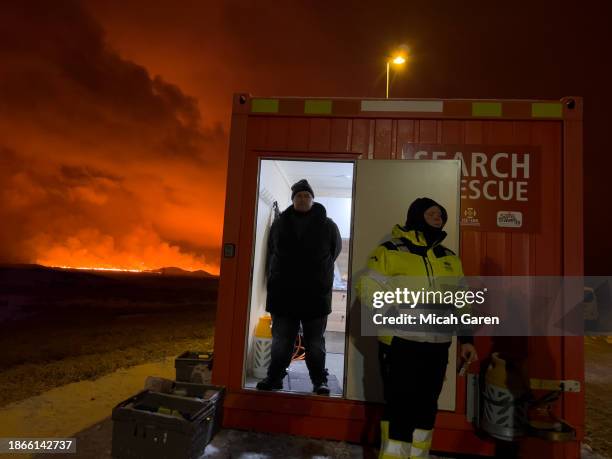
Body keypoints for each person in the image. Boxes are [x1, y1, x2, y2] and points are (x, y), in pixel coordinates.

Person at [359, 197, 478, 459]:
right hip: (400, 343)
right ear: (416, 215)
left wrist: (467, 339)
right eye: (432, 213)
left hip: (437, 345)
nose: (438, 217)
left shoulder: (449, 257)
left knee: (427, 405)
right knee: (400, 405)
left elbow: (462, 299)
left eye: (441, 214)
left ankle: (418, 456)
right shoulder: (390, 250)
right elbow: (367, 287)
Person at [256, 179, 342, 395]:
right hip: (283, 295)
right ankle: (274, 378)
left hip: (315, 295)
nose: (303, 199)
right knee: (281, 341)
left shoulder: (328, 224)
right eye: (298, 196)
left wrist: (320, 276)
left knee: (315, 343)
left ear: (313, 199)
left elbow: (334, 252)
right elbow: (271, 252)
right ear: (293, 200)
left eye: (306, 196)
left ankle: (318, 381)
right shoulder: (280, 223)